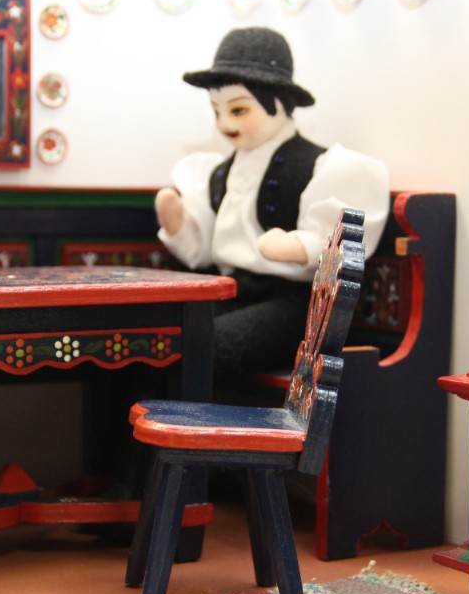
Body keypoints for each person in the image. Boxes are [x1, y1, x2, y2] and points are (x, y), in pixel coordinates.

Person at [156, 26, 390, 392]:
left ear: (278, 103)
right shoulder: (219, 173)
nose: (225, 124)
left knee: (212, 346)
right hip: (231, 291)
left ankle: (199, 425)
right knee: (161, 339)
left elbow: (339, 244)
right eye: (217, 111)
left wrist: (299, 246)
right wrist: (180, 228)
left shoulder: (317, 165)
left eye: (238, 110)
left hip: (290, 302)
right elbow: (206, 253)